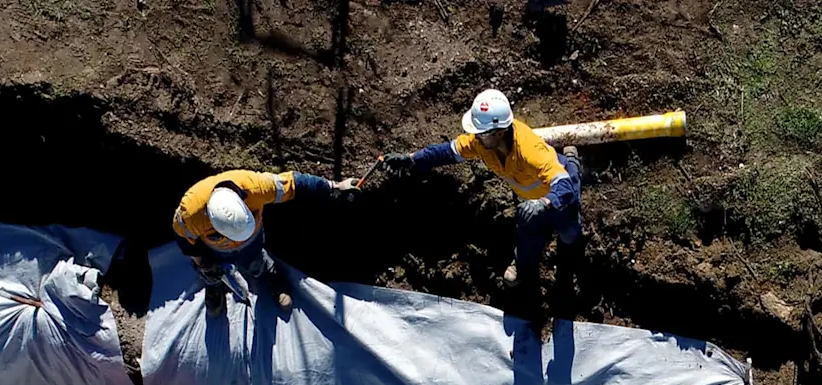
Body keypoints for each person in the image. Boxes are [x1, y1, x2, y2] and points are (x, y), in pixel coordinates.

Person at [384, 89, 582, 288]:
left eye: (480, 133)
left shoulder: (530, 151)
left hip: (557, 195)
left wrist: (544, 203)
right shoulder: (482, 143)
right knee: (527, 229)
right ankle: (523, 265)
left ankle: (573, 161)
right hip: (528, 197)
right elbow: (446, 152)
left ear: (499, 132)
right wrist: (410, 160)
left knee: (569, 235)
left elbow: (564, 186)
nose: (475, 136)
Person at [172, 168, 358, 316]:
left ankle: (269, 278)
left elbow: (295, 183)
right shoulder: (191, 213)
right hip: (214, 250)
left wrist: (335, 186)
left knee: (255, 262)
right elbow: (186, 242)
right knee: (211, 273)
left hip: (251, 244)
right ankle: (214, 288)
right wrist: (202, 264)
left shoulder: (256, 187)